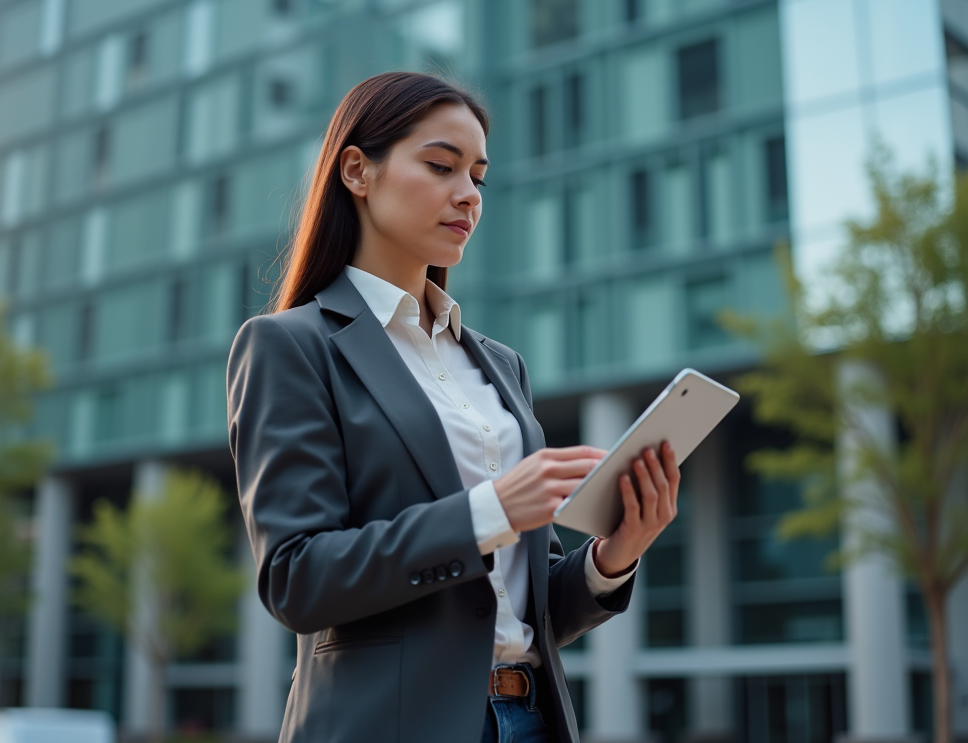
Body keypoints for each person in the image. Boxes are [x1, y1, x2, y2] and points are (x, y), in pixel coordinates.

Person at [226, 71, 682, 743]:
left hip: (527, 720)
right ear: (357, 170)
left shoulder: (500, 366)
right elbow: (296, 580)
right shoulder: (290, 347)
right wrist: (489, 511)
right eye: (441, 166)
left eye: (478, 176)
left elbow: (520, 609)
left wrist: (612, 557)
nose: (467, 195)